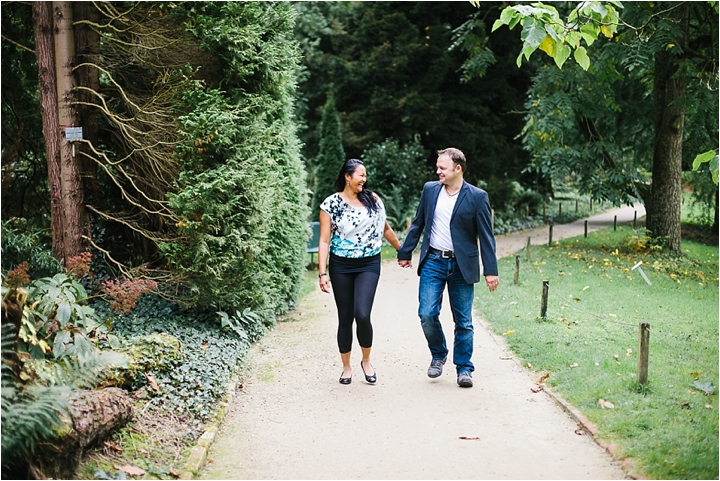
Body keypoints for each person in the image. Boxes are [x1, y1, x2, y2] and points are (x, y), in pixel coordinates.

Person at [397, 147, 499, 388]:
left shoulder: (477, 197)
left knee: (463, 320)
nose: (438, 171)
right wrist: (405, 251)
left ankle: (464, 368)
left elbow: (486, 236)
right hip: (433, 260)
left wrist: (491, 270)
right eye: (437, 167)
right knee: (427, 314)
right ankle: (439, 353)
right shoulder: (430, 190)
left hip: (462, 265)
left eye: (442, 168)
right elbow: (419, 223)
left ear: (458, 168)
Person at [318, 159, 402, 385]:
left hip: (368, 264)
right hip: (340, 266)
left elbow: (385, 228)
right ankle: (346, 367)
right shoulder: (331, 204)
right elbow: (324, 240)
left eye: (365, 176)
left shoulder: (373, 200)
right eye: (360, 175)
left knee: (362, 314)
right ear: (348, 177)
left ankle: (366, 360)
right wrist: (322, 273)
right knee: (345, 317)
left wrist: (400, 251)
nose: (364, 180)